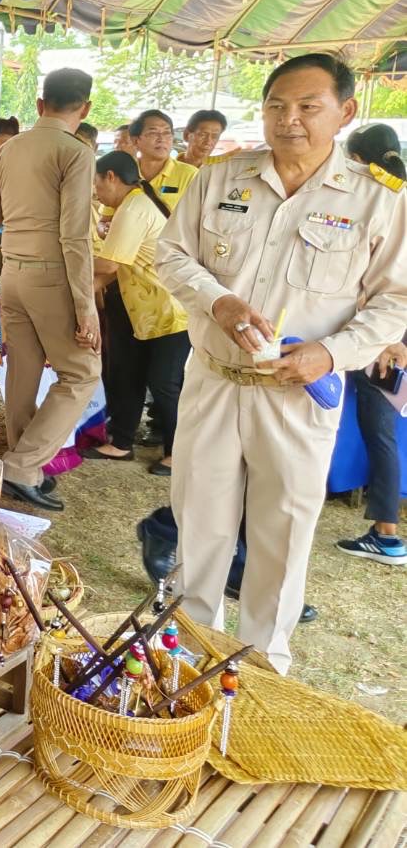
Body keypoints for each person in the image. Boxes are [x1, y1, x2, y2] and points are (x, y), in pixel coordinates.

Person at [156, 52, 407, 672]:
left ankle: (265, 667)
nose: (288, 120)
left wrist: (331, 352)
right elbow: (170, 256)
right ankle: (188, 661)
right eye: (275, 106)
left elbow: (395, 301)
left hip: (299, 397)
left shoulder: (378, 200)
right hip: (214, 382)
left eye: (307, 107)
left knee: (284, 535)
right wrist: (219, 301)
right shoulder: (220, 178)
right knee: (201, 526)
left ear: (345, 113)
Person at [0, 69, 100, 510]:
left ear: (39, 103)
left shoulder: (9, 149)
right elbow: (75, 236)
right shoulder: (77, 152)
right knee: (82, 372)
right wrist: (86, 309)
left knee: (25, 369)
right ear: (85, 108)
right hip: (52, 274)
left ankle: (20, 462)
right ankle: (23, 466)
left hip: (10, 273)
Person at [87, 152, 189, 476]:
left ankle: (178, 452)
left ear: (112, 177)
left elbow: (108, 264)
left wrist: (65, 265)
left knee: (165, 383)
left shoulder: (134, 207)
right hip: (136, 310)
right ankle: (121, 442)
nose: (96, 192)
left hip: (168, 310)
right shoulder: (129, 204)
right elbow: (112, 270)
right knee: (125, 375)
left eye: (97, 183)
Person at [335, 124, 407, 566]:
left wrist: (391, 339)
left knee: (379, 433)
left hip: (381, 340)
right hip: (383, 337)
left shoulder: (385, 201)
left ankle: (387, 532)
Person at [129, 109, 198, 200]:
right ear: (135, 140)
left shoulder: (190, 175)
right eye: (153, 133)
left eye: (167, 133)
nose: (161, 139)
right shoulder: (122, 174)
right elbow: (109, 213)